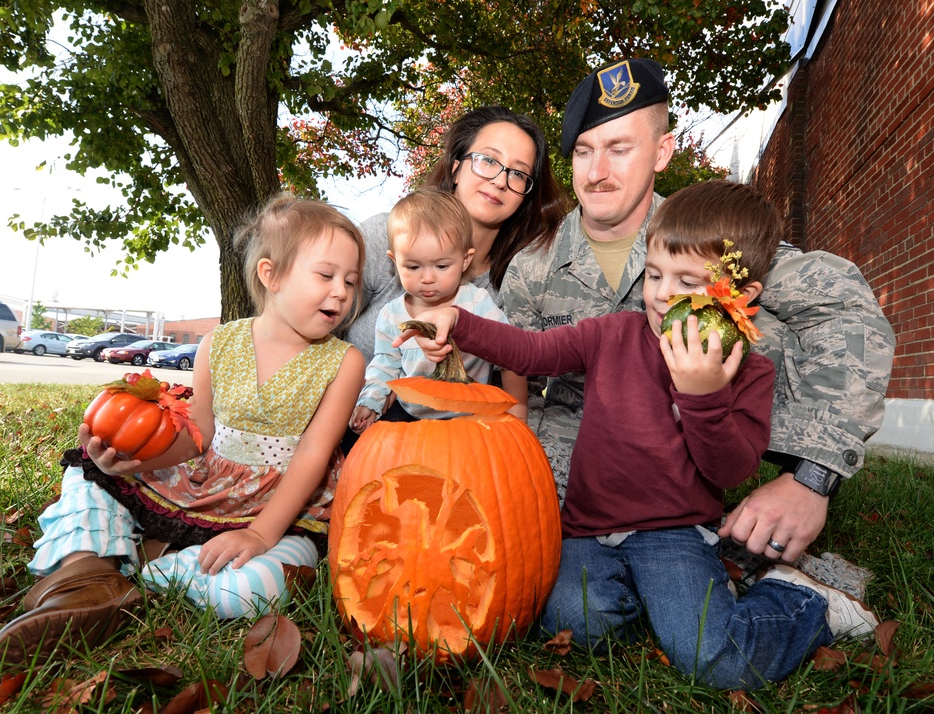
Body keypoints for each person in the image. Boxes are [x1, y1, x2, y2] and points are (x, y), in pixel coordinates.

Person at [398, 179, 880, 689]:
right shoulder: (612, 333)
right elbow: (531, 352)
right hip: (586, 528)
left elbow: (730, 469)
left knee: (715, 660)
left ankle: (802, 598)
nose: (663, 293)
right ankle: (657, 604)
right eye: (654, 274)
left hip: (671, 534)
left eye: (688, 281)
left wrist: (703, 397)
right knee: (572, 624)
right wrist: (460, 321)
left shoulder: (745, 367)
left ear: (740, 295)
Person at [500, 58, 895, 563]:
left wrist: (811, 479)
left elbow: (843, 304)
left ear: (662, 151)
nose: (596, 173)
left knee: (762, 331)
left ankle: (770, 527)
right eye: (583, 151)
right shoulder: (532, 268)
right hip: (585, 450)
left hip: (707, 437)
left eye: (619, 148)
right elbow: (514, 394)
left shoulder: (709, 232)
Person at [0, 196, 367, 669]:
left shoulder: (343, 362)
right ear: (271, 275)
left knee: (245, 591)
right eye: (326, 275)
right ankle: (83, 579)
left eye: (351, 282)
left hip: (281, 504)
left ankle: (134, 572)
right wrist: (137, 461)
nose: (341, 292)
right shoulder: (220, 342)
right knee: (87, 475)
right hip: (206, 482)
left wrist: (261, 535)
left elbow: (314, 452)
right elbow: (199, 434)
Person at [341, 106, 569, 366]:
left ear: (525, 197)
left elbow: (517, 373)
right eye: (489, 160)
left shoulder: (512, 289)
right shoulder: (385, 236)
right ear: (456, 169)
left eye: (518, 173)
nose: (499, 181)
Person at [349, 189, 527, 436]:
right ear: (394, 261)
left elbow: (510, 355)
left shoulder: (476, 302)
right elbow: (385, 365)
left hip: (471, 414)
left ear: (465, 260)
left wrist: (518, 411)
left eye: (442, 266)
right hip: (409, 413)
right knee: (377, 448)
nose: (428, 278)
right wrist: (371, 402)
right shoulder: (392, 315)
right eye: (413, 266)